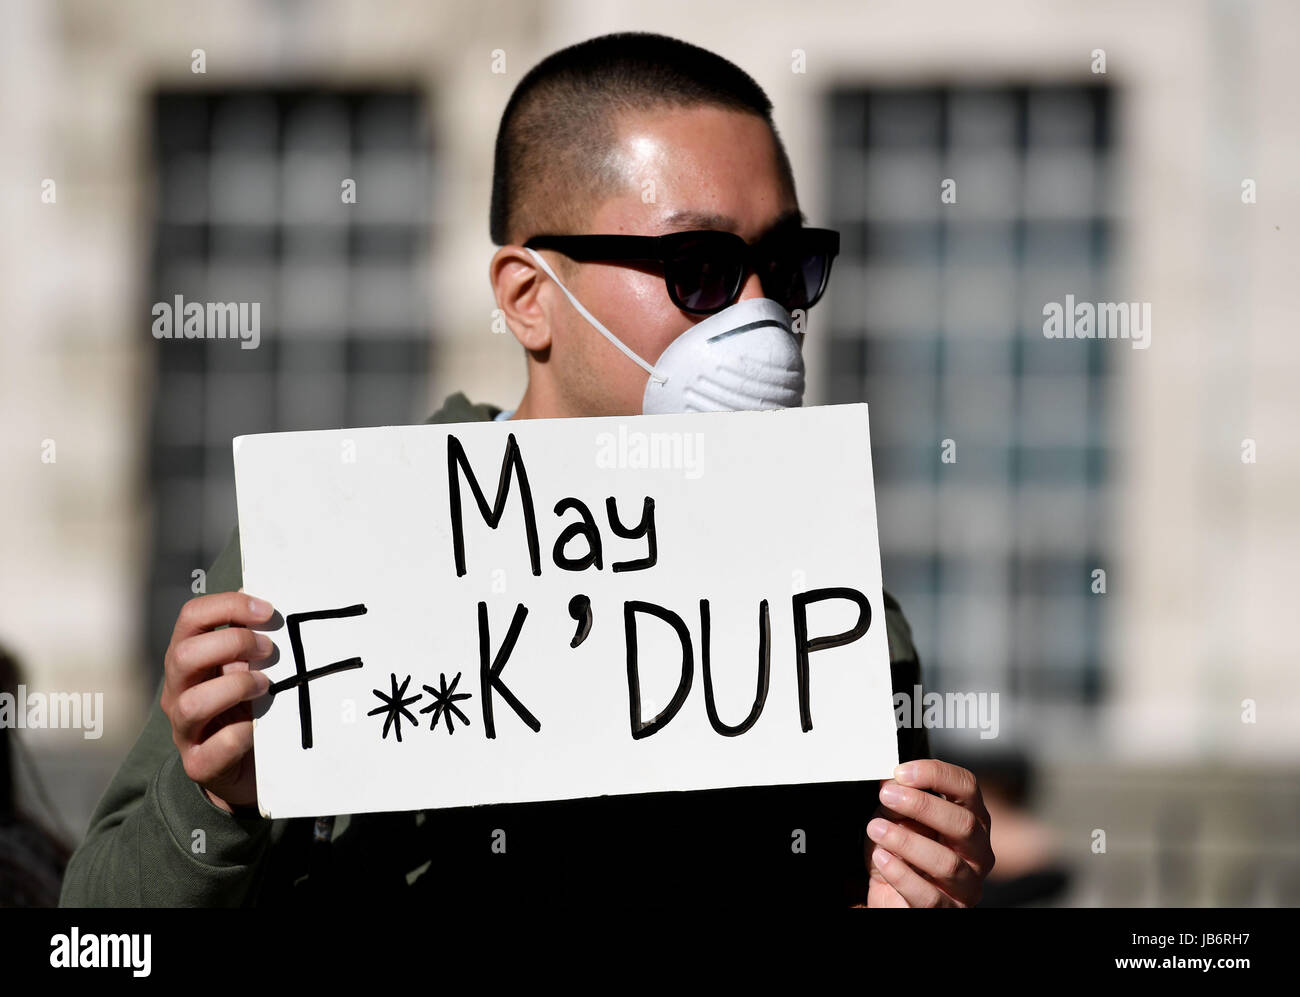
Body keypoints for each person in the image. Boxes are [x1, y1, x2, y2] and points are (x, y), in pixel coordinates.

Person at [61, 31, 993, 908]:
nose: (759, 312)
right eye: (700, 267)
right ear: (529, 298)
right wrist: (212, 807)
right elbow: (98, 929)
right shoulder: (331, 560)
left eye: (785, 264)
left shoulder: (828, 611)